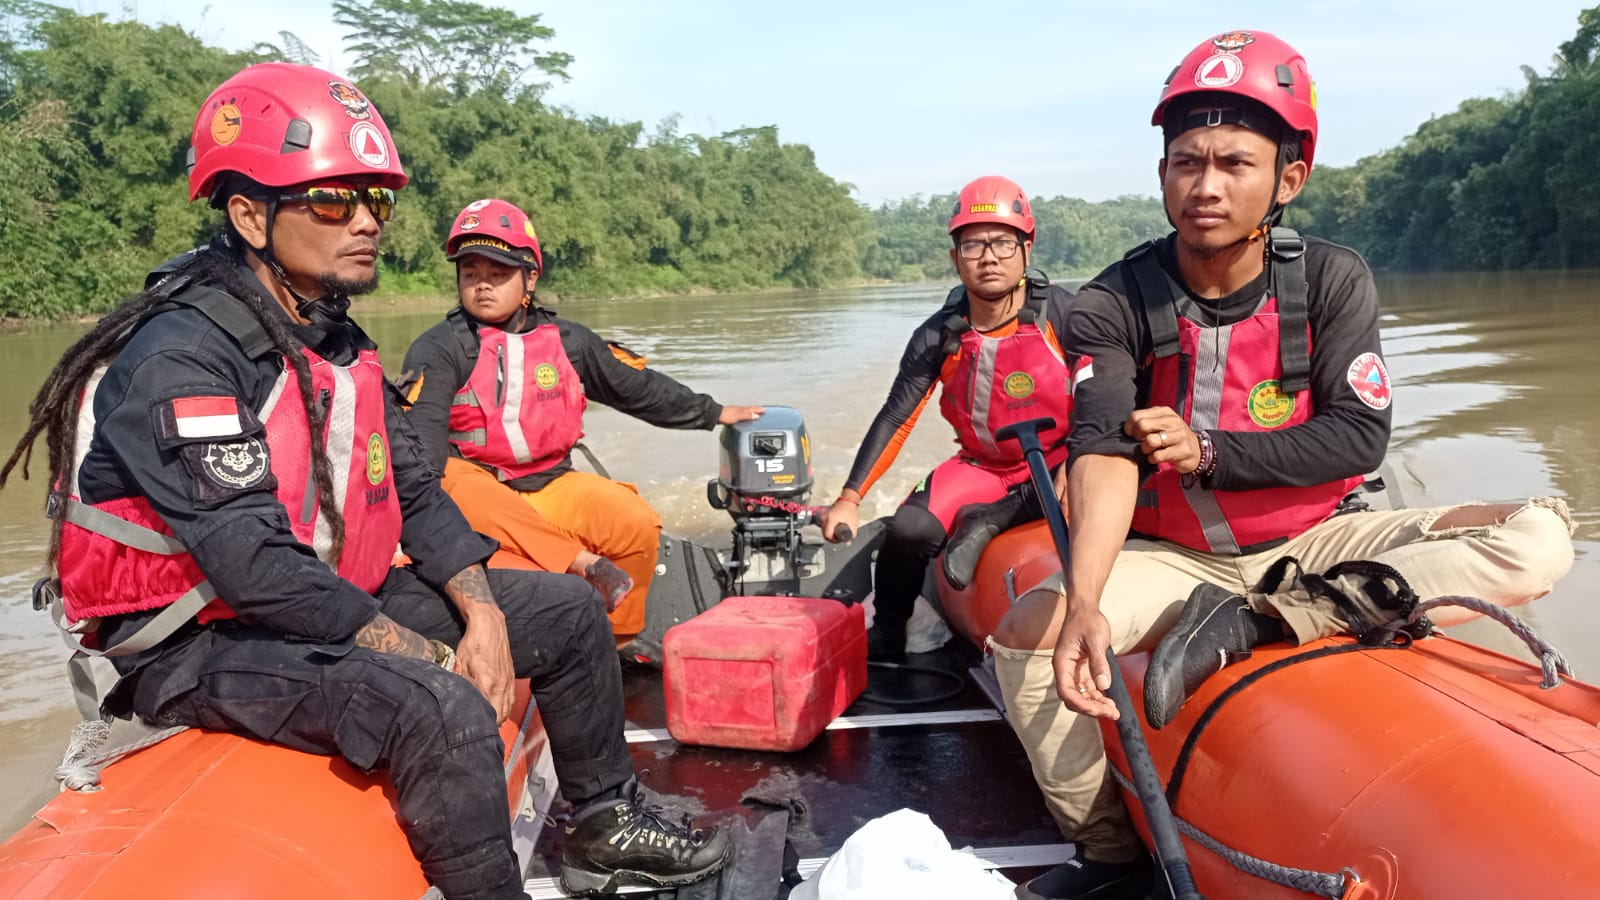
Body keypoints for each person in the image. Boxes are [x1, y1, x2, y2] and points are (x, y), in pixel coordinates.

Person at [0, 64, 728, 900]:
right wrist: (431, 651)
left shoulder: (330, 338)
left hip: (320, 600)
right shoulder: (181, 358)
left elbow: (414, 490)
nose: (367, 223)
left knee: (563, 613)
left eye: (375, 200)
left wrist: (482, 609)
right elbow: (254, 565)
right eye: (333, 202)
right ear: (248, 214)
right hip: (194, 642)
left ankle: (603, 824)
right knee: (441, 705)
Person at [986, 32, 1577, 900]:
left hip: (1319, 539)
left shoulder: (1334, 280)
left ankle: (1269, 618)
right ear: (1161, 176)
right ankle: (1108, 852)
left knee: (1537, 538)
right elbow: (1103, 448)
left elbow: (1357, 439)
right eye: (1185, 162)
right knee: (1030, 642)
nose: (1206, 185)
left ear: (1288, 179)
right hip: (1173, 555)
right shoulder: (1113, 301)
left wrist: (1212, 452)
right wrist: (1083, 600)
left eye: (1234, 162)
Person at [400, 200, 763, 647]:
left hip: (550, 483)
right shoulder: (438, 348)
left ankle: (613, 644)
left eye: (498, 274)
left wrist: (712, 412)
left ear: (530, 277)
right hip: (479, 488)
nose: (482, 286)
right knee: (449, 479)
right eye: (470, 273)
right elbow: (420, 448)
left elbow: (634, 387)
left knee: (635, 523)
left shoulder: (569, 342)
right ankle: (577, 561)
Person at [818, 176, 1074, 663]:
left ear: (1027, 246)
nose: (989, 256)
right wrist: (849, 498)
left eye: (1002, 242)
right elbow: (897, 416)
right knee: (909, 529)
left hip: (1063, 461)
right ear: (954, 256)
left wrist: (1082, 461)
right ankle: (890, 632)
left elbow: (1111, 401)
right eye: (973, 244)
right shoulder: (939, 335)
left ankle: (996, 520)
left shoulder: (1066, 315)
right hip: (984, 467)